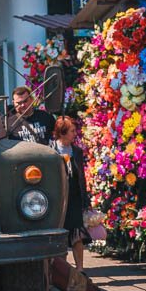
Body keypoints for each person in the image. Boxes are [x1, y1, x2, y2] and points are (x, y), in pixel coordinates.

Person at [52, 115, 91, 272]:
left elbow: (81, 176)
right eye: (72, 131)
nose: (75, 134)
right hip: (58, 199)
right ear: (62, 133)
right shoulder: (50, 150)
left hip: (74, 198)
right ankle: (63, 271)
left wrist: (85, 199)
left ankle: (80, 269)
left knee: (77, 234)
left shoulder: (77, 151)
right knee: (60, 234)